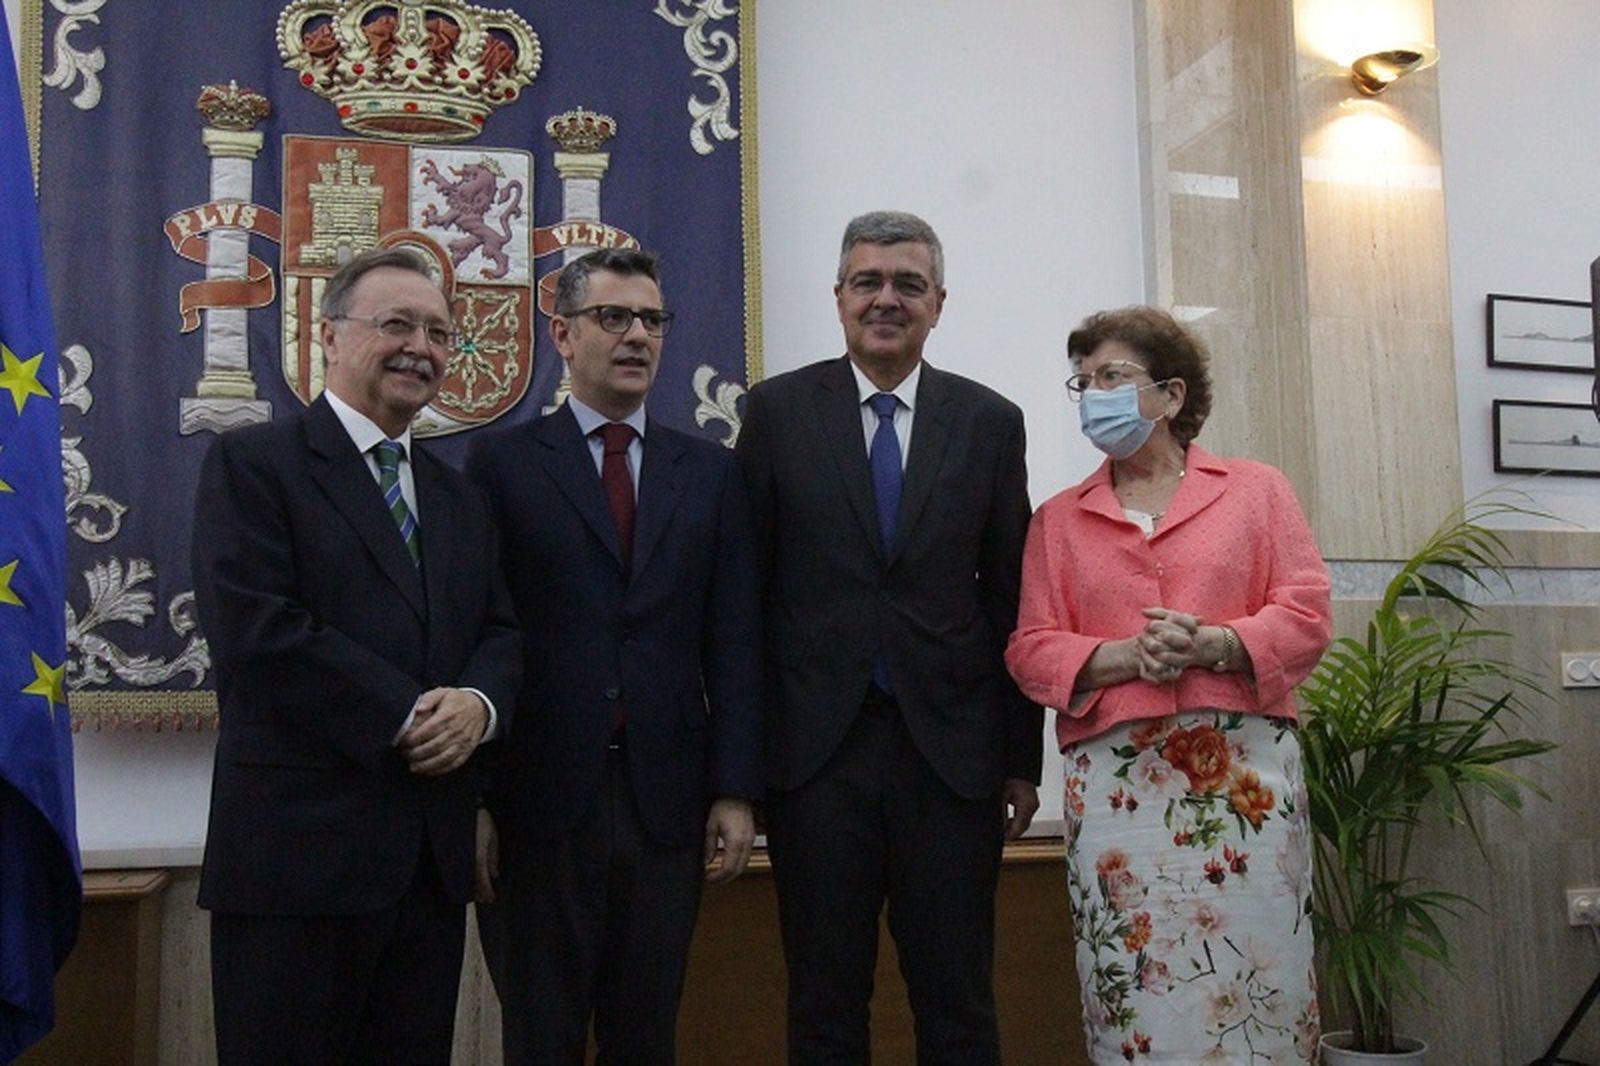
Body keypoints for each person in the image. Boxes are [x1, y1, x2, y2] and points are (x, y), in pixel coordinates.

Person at [191, 247, 522, 1065]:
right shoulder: (253, 463)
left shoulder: (457, 494)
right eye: (397, 324)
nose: (421, 348)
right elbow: (258, 631)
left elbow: (500, 631)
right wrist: (408, 714)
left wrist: (478, 707)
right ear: (328, 335)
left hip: (426, 867)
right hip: (295, 864)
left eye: (439, 333)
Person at [737, 210, 1043, 1065]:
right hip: (815, 761)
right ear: (838, 296)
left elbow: (1012, 598)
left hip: (950, 762)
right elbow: (745, 599)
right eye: (867, 281)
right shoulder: (776, 413)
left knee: (958, 1003)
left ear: (939, 303)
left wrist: (1021, 758)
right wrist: (742, 768)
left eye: (909, 284)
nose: (886, 299)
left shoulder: (989, 422)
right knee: (825, 1004)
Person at [1005, 306, 1333, 1064]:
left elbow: (1308, 613)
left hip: (1245, 782)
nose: (1093, 394)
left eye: (1112, 376)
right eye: (1082, 382)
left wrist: (1217, 644)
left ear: (1172, 394)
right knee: (1135, 985)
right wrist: (1125, 657)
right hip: (1120, 794)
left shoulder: (1257, 491)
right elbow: (1030, 650)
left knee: (1261, 979)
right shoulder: (1058, 520)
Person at [465, 247, 761, 1065]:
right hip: (536, 804)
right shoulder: (502, 465)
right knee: (541, 1038)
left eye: (652, 321)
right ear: (562, 333)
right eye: (614, 317)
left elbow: (734, 639)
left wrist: (735, 788)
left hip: (666, 804)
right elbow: (475, 632)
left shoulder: (711, 473)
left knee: (645, 1038)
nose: (637, 336)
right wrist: (474, 798)